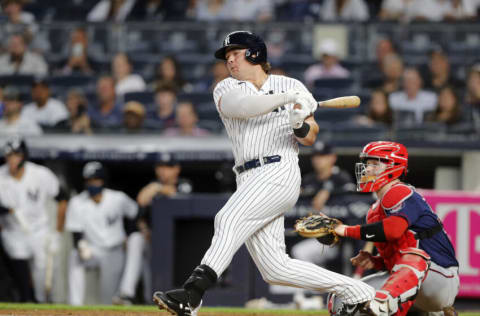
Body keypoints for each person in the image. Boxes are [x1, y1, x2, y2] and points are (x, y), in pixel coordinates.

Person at [152, 30, 376, 316]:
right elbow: (245, 107)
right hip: (247, 177)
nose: (230, 61)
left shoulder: (290, 84)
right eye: (227, 56)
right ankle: (357, 290)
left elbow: (310, 136)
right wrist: (288, 99)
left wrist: (299, 123)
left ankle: (192, 294)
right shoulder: (226, 88)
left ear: (254, 54)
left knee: (228, 218)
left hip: (279, 170)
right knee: (275, 268)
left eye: (235, 53)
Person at [328, 141, 459, 316]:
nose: (367, 170)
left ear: (394, 166)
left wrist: (345, 230)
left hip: (440, 278)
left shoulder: (400, 191)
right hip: (414, 284)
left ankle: (386, 306)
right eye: (367, 164)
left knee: (414, 257)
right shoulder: (374, 211)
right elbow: (397, 257)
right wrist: (376, 261)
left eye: (375, 164)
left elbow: (393, 231)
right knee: (343, 299)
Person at [113, 155, 192, 305]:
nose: (163, 171)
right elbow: (141, 203)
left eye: (168, 167)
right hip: (153, 240)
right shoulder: (152, 186)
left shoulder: (184, 184)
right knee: (136, 239)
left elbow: (181, 200)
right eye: (160, 167)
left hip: (178, 244)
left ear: (176, 169)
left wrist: (160, 189)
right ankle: (126, 294)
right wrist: (145, 230)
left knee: (157, 282)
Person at [0, 136, 68, 302]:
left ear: (24, 156)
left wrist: (57, 233)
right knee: (21, 269)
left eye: (16, 155)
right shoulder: (1, 175)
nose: (12, 160)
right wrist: (8, 211)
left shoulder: (40, 174)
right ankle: (26, 300)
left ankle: (42, 304)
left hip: (39, 230)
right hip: (13, 231)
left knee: (43, 276)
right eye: (9, 156)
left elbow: (63, 199)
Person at [65, 161, 138, 305]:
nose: (92, 184)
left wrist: (128, 236)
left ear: (103, 181)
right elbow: (76, 233)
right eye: (89, 181)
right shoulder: (77, 202)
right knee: (74, 257)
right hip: (93, 251)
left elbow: (135, 213)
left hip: (114, 251)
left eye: (96, 180)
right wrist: (81, 246)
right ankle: (75, 305)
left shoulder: (118, 198)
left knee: (107, 299)